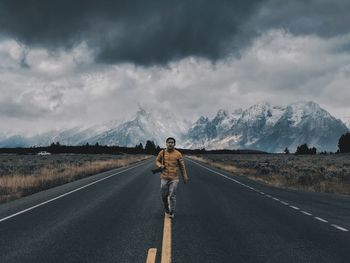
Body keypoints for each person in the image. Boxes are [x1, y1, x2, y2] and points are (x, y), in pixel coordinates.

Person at [155, 137, 189, 218]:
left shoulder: (178, 154)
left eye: (172, 142)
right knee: (164, 196)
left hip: (174, 179)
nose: (170, 144)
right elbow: (157, 161)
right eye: (169, 142)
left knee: (172, 196)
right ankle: (166, 208)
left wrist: (185, 177)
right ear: (166, 144)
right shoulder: (162, 152)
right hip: (164, 177)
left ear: (174, 144)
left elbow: (182, 166)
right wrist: (160, 165)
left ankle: (172, 212)